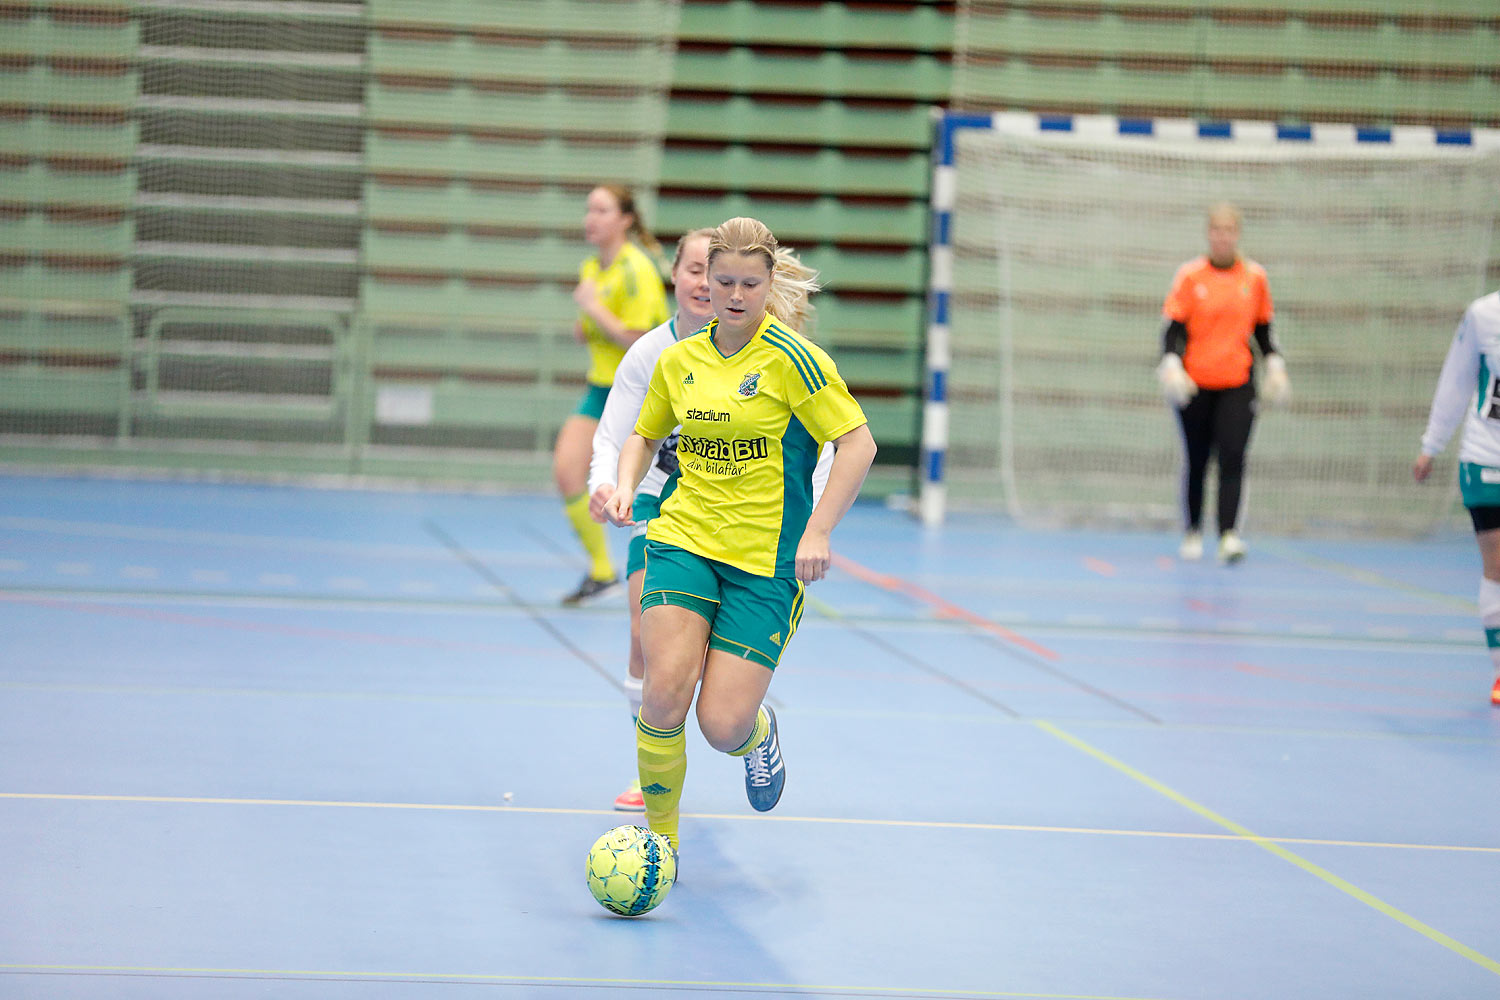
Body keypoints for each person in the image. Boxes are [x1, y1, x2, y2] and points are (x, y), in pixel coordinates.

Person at [602, 217, 878, 851]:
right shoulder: (680, 360)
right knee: (664, 689)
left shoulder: (795, 362)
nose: (731, 294)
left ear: (768, 283)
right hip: (684, 540)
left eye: (748, 284)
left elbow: (857, 443)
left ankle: (758, 737)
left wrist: (819, 531)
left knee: (721, 724)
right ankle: (659, 846)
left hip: (766, 560)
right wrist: (625, 483)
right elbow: (645, 433)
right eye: (720, 280)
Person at [1155, 202, 1290, 564]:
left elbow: (1263, 330)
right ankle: (1193, 530)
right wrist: (1171, 364)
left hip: (1236, 381)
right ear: (1208, 233)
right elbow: (1174, 329)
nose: (1222, 236)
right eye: (1216, 230)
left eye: (1229, 230)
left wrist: (1275, 365)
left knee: (1233, 456)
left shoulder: (1254, 277)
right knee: (1197, 459)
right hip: (1196, 383)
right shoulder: (1190, 276)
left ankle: (1229, 533)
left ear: (1237, 234)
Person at [554, 185, 670, 606]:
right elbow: (590, 330)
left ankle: (654, 576)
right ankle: (602, 571)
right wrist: (587, 320)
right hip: (600, 387)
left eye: (602, 210)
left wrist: (594, 309)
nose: (591, 218)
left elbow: (637, 338)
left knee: (645, 488)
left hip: (642, 393)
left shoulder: (636, 268)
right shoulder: (591, 267)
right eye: (588, 209)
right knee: (568, 470)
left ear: (625, 219)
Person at [1412, 290, 1500, 707]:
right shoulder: (1484, 315)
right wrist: (1432, 444)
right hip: (1487, 459)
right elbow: (1456, 381)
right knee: (1497, 564)